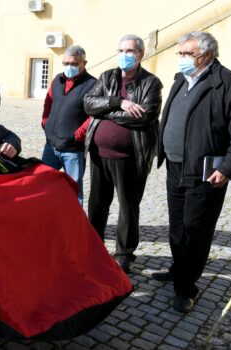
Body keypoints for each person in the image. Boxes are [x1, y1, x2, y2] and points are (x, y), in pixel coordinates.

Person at [152, 32, 231, 313]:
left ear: (207, 55)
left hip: (206, 174)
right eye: (181, 54)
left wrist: (227, 168)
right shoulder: (180, 80)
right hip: (175, 167)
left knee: (195, 232)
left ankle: (186, 288)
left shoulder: (228, 84)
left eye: (188, 54)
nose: (182, 58)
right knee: (176, 227)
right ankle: (178, 269)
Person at [83, 34, 163, 273]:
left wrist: (104, 111)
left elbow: (146, 116)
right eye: (121, 50)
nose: (124, 55)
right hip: (99, 154)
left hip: (130, 157)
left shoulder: (151, 82)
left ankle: (124, 253)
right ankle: (93, 246)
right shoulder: (108, 76)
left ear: (140, 54)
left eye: (129, 51)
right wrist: (119, 103)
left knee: (128, 206)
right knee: (97, 203)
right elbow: (88, 104)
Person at [40, 45, 96, 206]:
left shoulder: (92, 84)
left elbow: (94, 114)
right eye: (66, 63)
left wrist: (79, 133)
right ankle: (48, 218)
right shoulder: (58, 79)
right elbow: (48, 102)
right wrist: (45, 121)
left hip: (73, 150)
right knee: (44, 184)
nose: (69, 67)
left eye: (74, 64)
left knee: (74, 190)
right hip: (51, 146)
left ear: (84, 63)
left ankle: (73, 226)